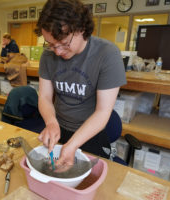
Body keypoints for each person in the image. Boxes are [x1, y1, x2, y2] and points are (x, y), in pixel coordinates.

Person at [35, 0, 126, 167]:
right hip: (59, 128)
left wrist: (72, 145)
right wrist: (51, 122)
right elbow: (45, 97)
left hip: (91, 133)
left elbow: (102, 112)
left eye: (64, 44)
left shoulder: (107, 54)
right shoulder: (48, 56)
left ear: (81, 29)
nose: (58, 51)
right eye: (50, 45)